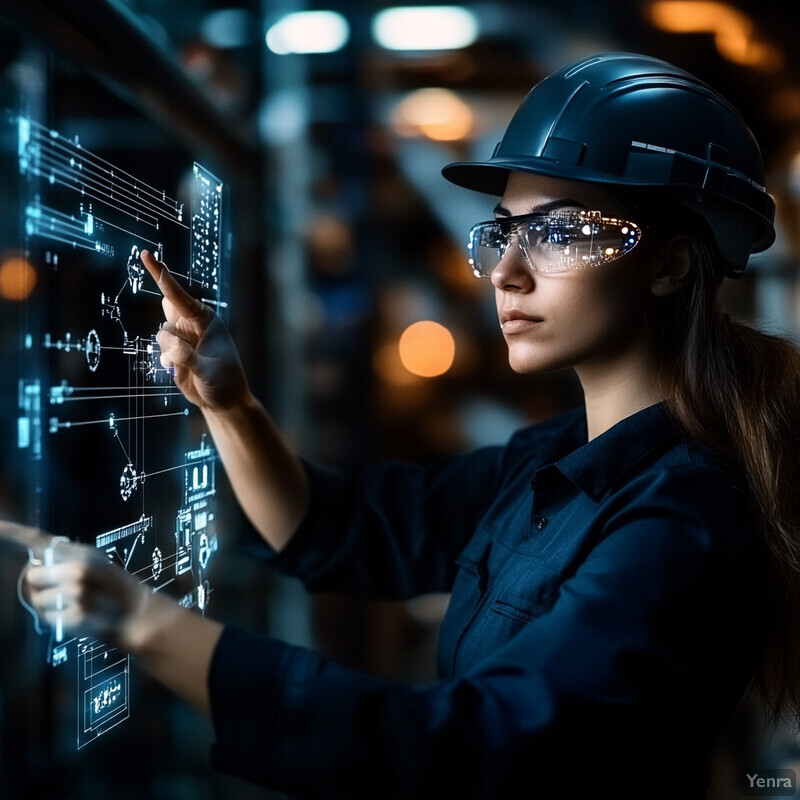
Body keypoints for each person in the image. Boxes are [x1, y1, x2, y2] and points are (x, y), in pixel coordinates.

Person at [3, 51, 800, 799]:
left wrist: (136, 618)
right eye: (506, 231)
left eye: (564, 230)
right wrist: (228, 403)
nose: (511, 271)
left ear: (671, 265)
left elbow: (464, 751)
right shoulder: (556, 459)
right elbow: (344, 530)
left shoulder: (682, 521)